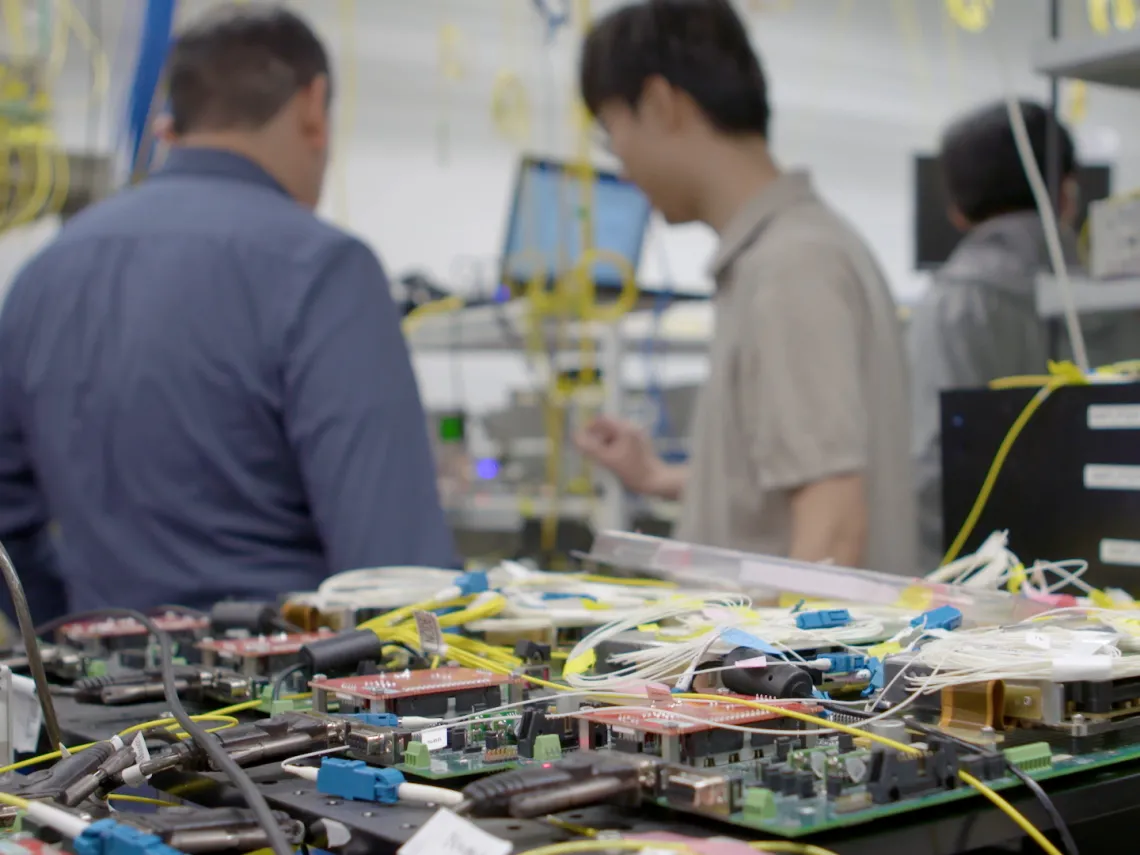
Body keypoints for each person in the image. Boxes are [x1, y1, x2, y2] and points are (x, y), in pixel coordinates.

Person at [0, 4, 455, 622]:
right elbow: (398, 575)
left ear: (175, 120)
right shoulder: (323, 268)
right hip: (292, 704)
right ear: (312, 106)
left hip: (91, 702)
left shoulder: (43, 274)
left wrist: (76, 634)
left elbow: (7, 522)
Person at [573, 0, 916, 574]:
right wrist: (658, 478)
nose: (623, 169)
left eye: (613, 136)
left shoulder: (791, 267)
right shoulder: (789, 252)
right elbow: (788, 484)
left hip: (782, 666)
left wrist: (773, 666)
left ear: (660, 104)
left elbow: (833, 524)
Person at [910, 100, 1140, 572]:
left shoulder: (951, 303)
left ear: (956, 208)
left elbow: (932, 476)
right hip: (1118, 575)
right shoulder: (1120, 302)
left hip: (991, 592)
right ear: (1066, 191)